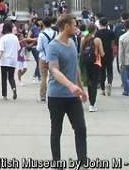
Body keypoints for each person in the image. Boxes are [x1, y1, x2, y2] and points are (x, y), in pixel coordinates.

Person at [46, 14, 88, 163]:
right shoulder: (53, 46)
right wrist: (70, 85)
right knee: (56, 130)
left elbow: (75, 68)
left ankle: (83, 160)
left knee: (81, 129)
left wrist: (81, 89)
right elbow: (54, 70)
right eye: (74, 25)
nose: (76, 27)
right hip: (56, 96)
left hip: (73, 96)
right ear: (66, 26)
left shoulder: (72, 43)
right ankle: (56, 161)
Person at [80, 24, 104, 112]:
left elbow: (81, 51)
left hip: (86, 63)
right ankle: (92, 104)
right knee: (94, 83)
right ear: (95, 30)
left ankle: (90, 101)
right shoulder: (97, 40)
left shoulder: (83, 39)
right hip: (96, 63)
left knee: (89, 82)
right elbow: (102, 53)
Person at [0, 21, 19, 100]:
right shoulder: (15, 37)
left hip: (5, 60)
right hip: (13, 60)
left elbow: (1, 51)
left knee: (4, 78)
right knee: (11, 77)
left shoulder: (3, 38)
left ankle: (4, 95)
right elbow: (18, 48)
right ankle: (14, 88)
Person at [37, 17, 57, 102]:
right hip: (53, 58)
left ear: (44, 24)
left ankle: (42, 96)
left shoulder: (41, 34)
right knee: (54, 77)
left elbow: (39, 48)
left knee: (43, 78)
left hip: (43, 58)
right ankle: (53, 94)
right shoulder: (55, 33)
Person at [95, 18, 115, 96]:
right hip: (109, 53)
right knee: (109, 70)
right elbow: (113, 43)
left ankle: (103, 90)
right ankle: (109, 83)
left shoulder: (97, 33)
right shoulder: (111, 32)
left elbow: (96, 43)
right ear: (107, 24)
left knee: (102, 71)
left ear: (99, 24)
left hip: (100, 54)